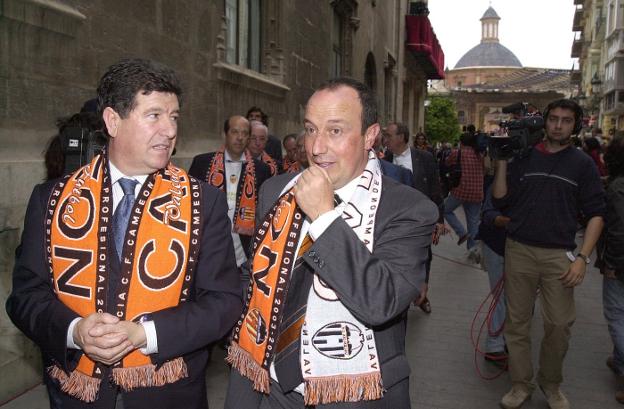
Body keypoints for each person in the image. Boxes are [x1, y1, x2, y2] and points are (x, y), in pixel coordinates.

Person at [5, 58, 242, 409]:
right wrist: (75, 332)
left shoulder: (203, 203)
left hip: (168, 393)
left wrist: (145, 334)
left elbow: (225, 302)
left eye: (174, 117)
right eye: (154, 115)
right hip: (76, 395)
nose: (169, 130)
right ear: (113, 121)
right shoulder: (53, 199)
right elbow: (25, 298)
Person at [224, 77, 437, 409]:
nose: (317, 147)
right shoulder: (275, 191)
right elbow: (255, 278)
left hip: (352, 394)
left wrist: (324, 216)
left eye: (335, 131)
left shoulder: (409, 209)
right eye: (311, 129)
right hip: (265, 385)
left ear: (370, 135)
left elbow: (380, 302)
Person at [492, 99, 606, 409]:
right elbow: (501, 199)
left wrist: (583, 257)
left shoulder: (582, 164)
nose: (558, 125)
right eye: (553, 119)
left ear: (575, 125)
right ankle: (520, 384)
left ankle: (551, 383)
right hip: (520, 250)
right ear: (545, 122)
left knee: (558, 325)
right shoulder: (525, 157)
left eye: (566, 120)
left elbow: (596, 213)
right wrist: (501, 161)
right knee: (516, 323)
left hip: (560, 255)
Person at [188, 115, 272, 293]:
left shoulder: (261, 170)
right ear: (224, 134)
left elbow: (265, 213)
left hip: (243, 253)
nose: (239, 137)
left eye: (244, 133)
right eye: (235, 132)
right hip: (208, 249)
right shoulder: (202, 163)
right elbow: (190, 204)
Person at [384, 122, 445, 313]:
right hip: (393, 220)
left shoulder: (424, 158)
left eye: (389, 136)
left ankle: (422, 293)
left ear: (401, 137)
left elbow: (435, 189)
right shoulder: (383, 159)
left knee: (423, 256)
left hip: (420, 219)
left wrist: (439, 220)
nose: (386, 140)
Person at [597, 136, 624, 404]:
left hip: (620, 261)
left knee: (616, 315)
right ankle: (618, 360)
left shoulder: (618, 188)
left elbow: (618, 230)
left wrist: (613, 263)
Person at [444, 125, 484, 261]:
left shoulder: (457, 153)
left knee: (445, 209)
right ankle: (473, 250)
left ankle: (461, 232)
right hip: (477, 192)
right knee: (473, 221)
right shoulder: (479, 154)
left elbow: (447, 162)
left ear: (461, 142)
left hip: (461, 190)